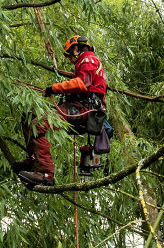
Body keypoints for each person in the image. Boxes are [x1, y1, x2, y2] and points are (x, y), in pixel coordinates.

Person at [14, 35, 107, 187]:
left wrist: (53, 89)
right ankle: (32, 159)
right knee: (29, 115)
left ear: (76, 49)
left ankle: (45, 173)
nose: (70, 60)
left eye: (70, 55)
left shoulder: (88, 59)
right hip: (78, 106)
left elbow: (82, 84)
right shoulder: (84, 63)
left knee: (41, 121)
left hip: (84, 109)